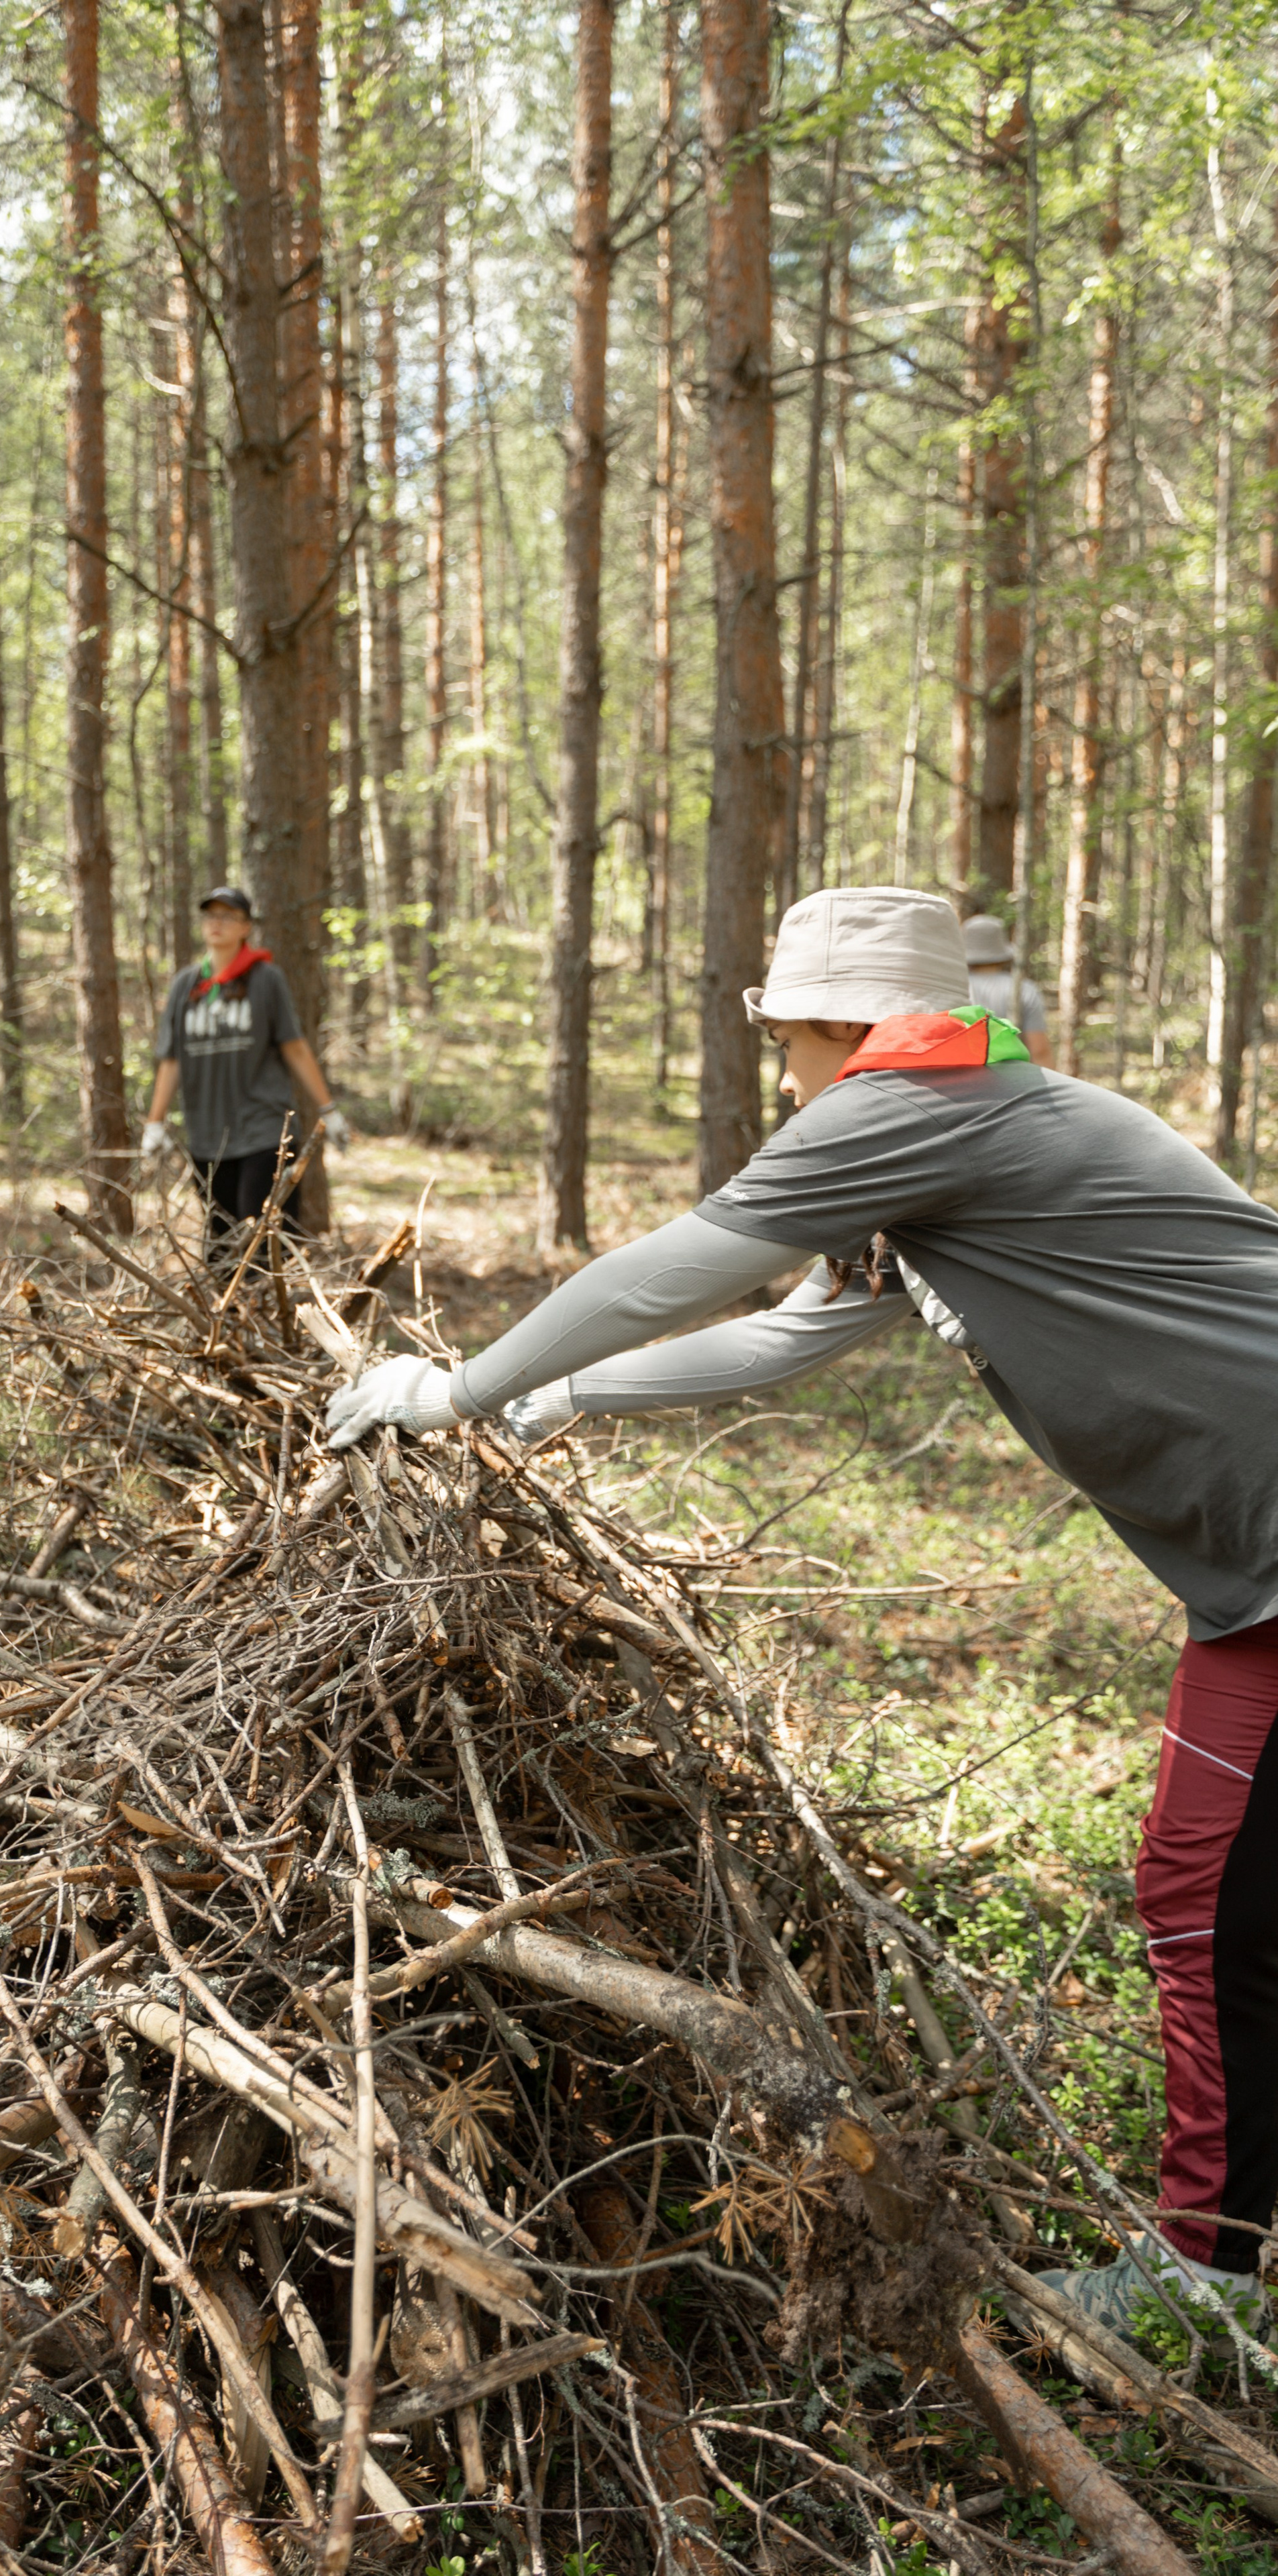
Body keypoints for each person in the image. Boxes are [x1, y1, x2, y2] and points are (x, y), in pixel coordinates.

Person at [329, 881, 1278, 2339]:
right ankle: (1215, 2258)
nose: (780, 1070)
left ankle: (1206, 2278)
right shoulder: (954, 1133)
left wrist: (457, 1389)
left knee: (1208, 1902)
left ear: (841, 1026)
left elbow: (674, 1268)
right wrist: (557, 1396)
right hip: (1247, 1589)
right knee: (1198, 1890)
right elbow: (788, 1332)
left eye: (784, 1040)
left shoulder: (912, 1104)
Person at [144, 885, 350, 1255]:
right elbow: (171, 1058)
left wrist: (328, 1110)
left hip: (264, 1131)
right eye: (211, 915)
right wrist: (154, 1123)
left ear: (246, 927)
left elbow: (296, 1047)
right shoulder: (186, 986)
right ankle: (228, 1314)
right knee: (221, 1245)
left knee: (265, 1240)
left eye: (228, 916)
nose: (217, 924)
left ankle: (273, 1313)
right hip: (208, 1135)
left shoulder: (265, 980)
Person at [963, 912, 1053, 1065]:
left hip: (964, 1079)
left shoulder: (956, 988)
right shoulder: (1025, 990)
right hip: (1014, 1082)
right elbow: (1039, 1051)